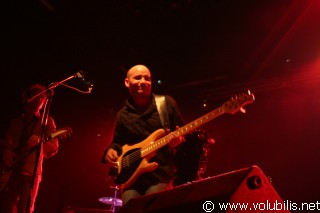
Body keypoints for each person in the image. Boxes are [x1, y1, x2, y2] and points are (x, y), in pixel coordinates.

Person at [101, 64, 185, 205]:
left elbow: (182, 131)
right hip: (130, 178)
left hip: (159, 175)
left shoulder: (166, 104)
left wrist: (179, 140)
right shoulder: (122, 114)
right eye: (138, 77)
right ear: (127, 82)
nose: (143, 81)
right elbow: (117, 142)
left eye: (147, 78)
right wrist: (110, 150)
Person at [0, 84, 59, 213]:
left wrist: (39, 143)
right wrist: (6, 151)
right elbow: (6, 142)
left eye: (43, 97)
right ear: (27, 98)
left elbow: (53, 147)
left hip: (29, 173)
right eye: (37, 95)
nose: (41, 99)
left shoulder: (47, 122)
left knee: (25, 209)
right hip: (9, 173)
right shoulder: (15, 123)